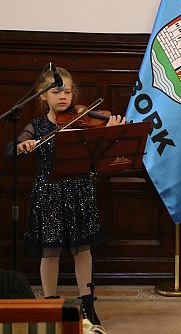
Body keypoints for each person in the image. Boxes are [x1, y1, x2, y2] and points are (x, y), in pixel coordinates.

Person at [12, 66, 125, 325]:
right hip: (48, 193)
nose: (63, 97)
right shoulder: (37, 126)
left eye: (68, 91)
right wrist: (23, 144)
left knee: (82, 250)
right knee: (50, 252)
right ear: (42, 96)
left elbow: (103, 157)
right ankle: (51, 305)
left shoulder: (84, 122)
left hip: (80, 190)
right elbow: (14, 147)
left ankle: (87, 305)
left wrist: (112, 133)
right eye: (56, 91)